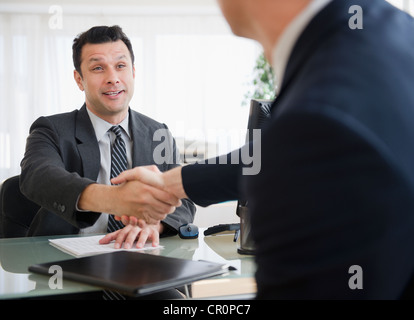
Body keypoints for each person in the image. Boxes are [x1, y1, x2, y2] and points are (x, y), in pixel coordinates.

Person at [113, 0, 414, 299]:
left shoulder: (317, 117)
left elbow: (307, 145)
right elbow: (287, 153)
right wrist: (171, 183)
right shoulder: (386, 27)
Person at [20, 25, 196, 248]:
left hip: (139, 259)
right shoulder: (51, 129)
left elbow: (184, 201)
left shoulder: (158, 132)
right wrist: (117, 199)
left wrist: (155, 225)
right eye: (98, 68)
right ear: (79, 79)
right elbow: (37, 176)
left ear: (133, 72)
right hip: (65, 265)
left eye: (121, 66)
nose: (113, 78)